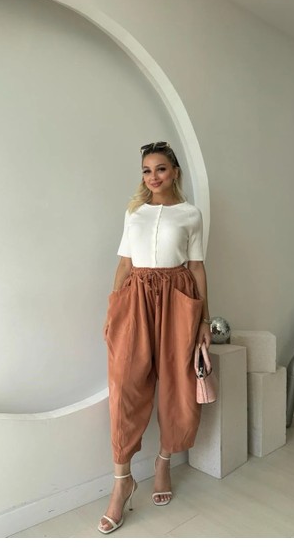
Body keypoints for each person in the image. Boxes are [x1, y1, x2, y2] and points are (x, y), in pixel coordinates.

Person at [98, 141, 211, 534]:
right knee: (125, 385)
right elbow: (124, 264)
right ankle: (122, 481)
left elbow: (196, 267)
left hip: (178, 297)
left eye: (160, 168)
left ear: (175, 171)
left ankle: (164, 462)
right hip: (136, 298)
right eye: (146, 170)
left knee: (176, 384)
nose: (153, 177)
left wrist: (204, 321)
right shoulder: (135, 212)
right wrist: (113, 309)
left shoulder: (190, 214)